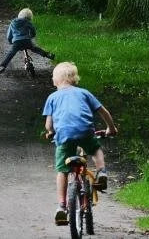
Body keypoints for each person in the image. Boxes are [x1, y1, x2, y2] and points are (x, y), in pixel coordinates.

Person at [43, 62, 117, 226]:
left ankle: (62, 206)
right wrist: (111, 128)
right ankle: (101, 172)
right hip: (85, 132)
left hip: (64, 136)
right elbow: (104, 112)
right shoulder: (84, 93)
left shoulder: (52, 97)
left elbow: (49, 125)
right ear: (74, 79)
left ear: (56, 80)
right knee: (95, 149)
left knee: (62, 171)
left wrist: (50, 132)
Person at [0, 8, 54, 76]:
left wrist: (10, 41)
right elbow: (32, 30)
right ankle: (47, 54)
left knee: (11, 53)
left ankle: (3, 66)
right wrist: (32, 36)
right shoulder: (27, 22)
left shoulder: (13, 23)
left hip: (17, 42)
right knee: (34, 48)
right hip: (26, 40)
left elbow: (9, 34)